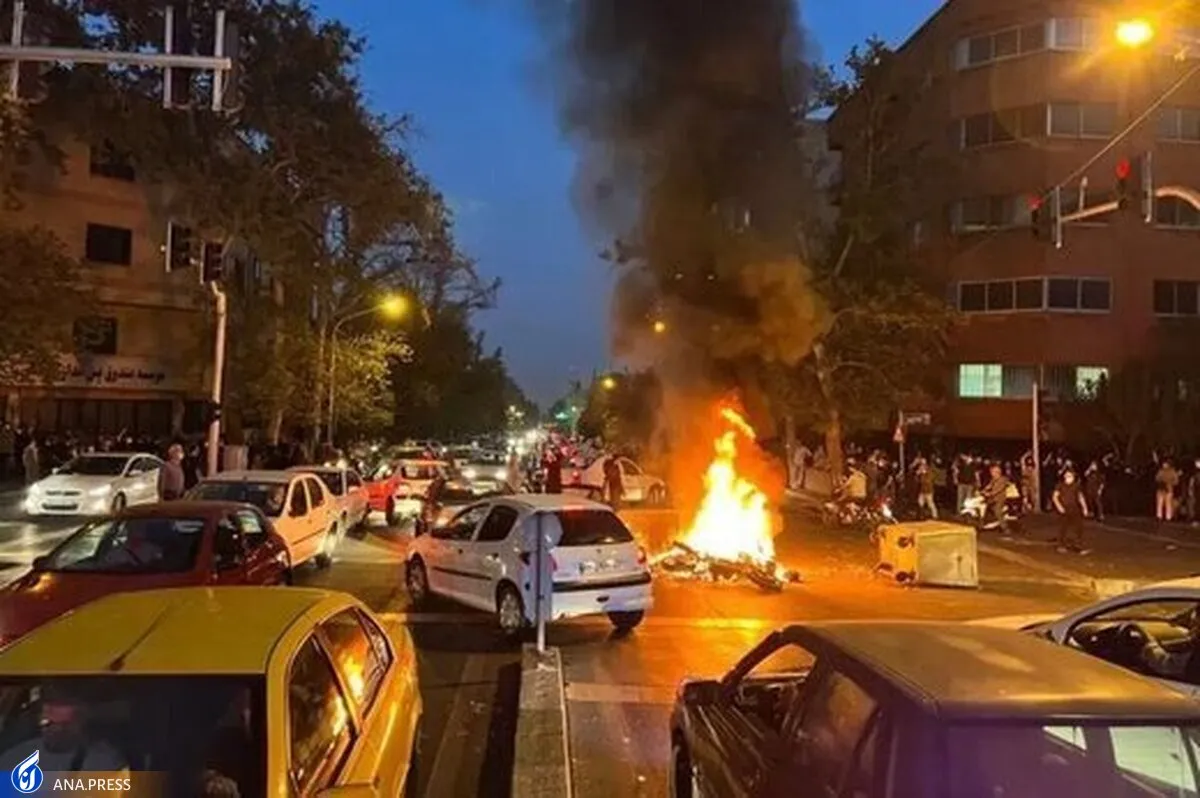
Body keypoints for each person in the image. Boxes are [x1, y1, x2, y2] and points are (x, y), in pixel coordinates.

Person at [0, 687, 128, 774]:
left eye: (65, 724)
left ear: (81, 722)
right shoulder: (16, 757)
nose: (56, 730)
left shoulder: (104, 761)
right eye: (49, 723)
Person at [1052, 469, 1089, 554]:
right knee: (1063, 528)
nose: (1069, 478)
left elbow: (1080, 497)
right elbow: (1055, 497)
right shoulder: (1060, 485)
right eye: (1067, 476)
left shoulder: (1076, 486)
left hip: (1075, 508)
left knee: (1078, 527)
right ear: (1064, 477)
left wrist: (1084, 508)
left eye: (1070, 476)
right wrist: (1059, 506)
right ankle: (1061, 545)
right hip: (1064, 508)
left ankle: (1078, 545)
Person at [979, 463, 1011, 531]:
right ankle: (982, 525)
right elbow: (989, 485)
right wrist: (983, 490)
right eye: (991, 472)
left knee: (997, 511)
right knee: (984, 509)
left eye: (992, 472)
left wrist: (990, 494)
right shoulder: (994, 479)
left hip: (999, 499)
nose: (991, 473)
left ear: (997, 472)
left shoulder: (1002, 480)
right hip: (992, 499)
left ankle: (1005, 527)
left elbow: (998, 490)